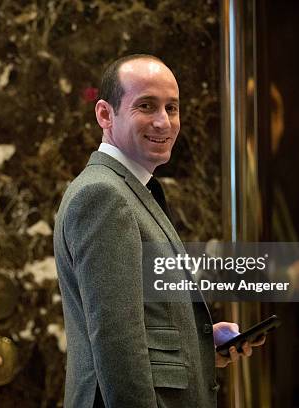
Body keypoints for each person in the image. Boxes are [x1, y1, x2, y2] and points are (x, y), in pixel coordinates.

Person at [53, 54, 265, 408]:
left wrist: (199, 344)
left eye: (172, 108)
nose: (163, 122)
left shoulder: (129, 189)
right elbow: (117, 342)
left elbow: (139, 322)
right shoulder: (103, 195)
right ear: (105, 114)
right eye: (147, 106)